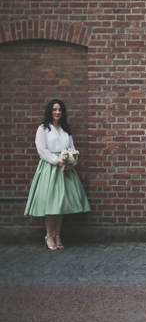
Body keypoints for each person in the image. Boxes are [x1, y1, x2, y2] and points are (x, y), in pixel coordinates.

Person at [24, 99, 90, 250]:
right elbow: (42, 150)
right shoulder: (43, 128)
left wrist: (72, 162)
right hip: (50, 169)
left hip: (66, 171)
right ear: (50, 111)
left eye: (60, 110)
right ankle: (49, 235)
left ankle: (57, 235)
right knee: (52, 203)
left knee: (61, 204)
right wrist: (57, 161)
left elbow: (72, 148)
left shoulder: (65, 128)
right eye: (54, 109)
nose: (57, 112)